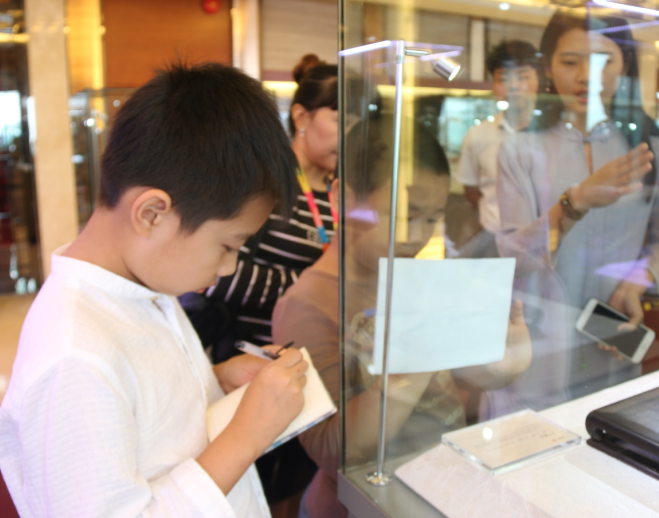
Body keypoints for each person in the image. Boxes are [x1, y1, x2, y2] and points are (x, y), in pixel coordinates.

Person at [0, 63, 309, 518]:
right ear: (151, 214)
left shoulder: (143, 284)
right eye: (228, 246)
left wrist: (216, 381)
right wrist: (248, 435)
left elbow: (143, 418)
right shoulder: (73, 358)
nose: (229, 267)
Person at [272, 119, 532, 518]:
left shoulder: (416, 278)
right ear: (342, 198)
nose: (416, 236)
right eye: (403, 215)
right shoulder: (306, 304)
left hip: (437, 488)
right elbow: (332, 449)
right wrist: (411, 369)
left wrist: (501, 367)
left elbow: (454, 374)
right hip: (362, 503)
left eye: (431, 218)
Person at [496, 10, 659, 406]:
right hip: (536, 333)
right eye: (570, 62)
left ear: (625, 65)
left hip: (610, 330)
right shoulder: (519, 149)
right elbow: (512, 257)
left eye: (603, 62)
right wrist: (574, 202)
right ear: (549, 66)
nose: (586, 76)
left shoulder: (658, 152)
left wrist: (637, 281)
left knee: (604, 426)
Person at [182, 53, 336, 515]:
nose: (349, 131)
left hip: (306, 361)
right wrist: (308, 288)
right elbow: (218, 277)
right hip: (249, 356)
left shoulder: (338, 191)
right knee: (253, 486)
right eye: (338, 116)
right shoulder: (266, 184)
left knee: (298, 482)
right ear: (301, 116)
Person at [457, 40, 540, 258]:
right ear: (493, 84)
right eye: (504, 79)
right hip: (493, 243)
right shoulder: (477, 135)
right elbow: (471, 192)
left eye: (522, 77)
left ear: (538, 80)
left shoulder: (554, 134)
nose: (513, 86)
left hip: (541, 243)